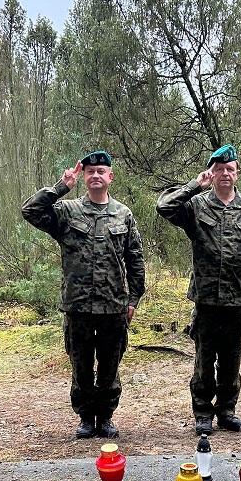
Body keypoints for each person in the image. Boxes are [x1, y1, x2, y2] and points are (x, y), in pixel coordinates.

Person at [22, 150, 146, 440]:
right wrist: (61, 186)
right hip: (77, 305)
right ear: (84, 177)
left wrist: (133, 299)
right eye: (90, 172)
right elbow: (31, 211)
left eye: (101, 171)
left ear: (110, 177)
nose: (95, 176)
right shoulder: (67, 212)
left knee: (109, 364)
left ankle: (105, 417)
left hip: (113, 306)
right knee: (80, 363)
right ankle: (86, 418)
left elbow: (135, 259)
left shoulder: (123, 214)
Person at [156, 144, 241, 435]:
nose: (225, 174)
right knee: (204, 360)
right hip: (206, 298)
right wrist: (194, 185)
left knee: (231, 360)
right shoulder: (197, 206)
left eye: (230, 169)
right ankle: (203, 413)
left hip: (237, 299)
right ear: (211, 173)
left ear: (237, 173)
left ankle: (227, 411)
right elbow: (164, 207)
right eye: (219, 169)